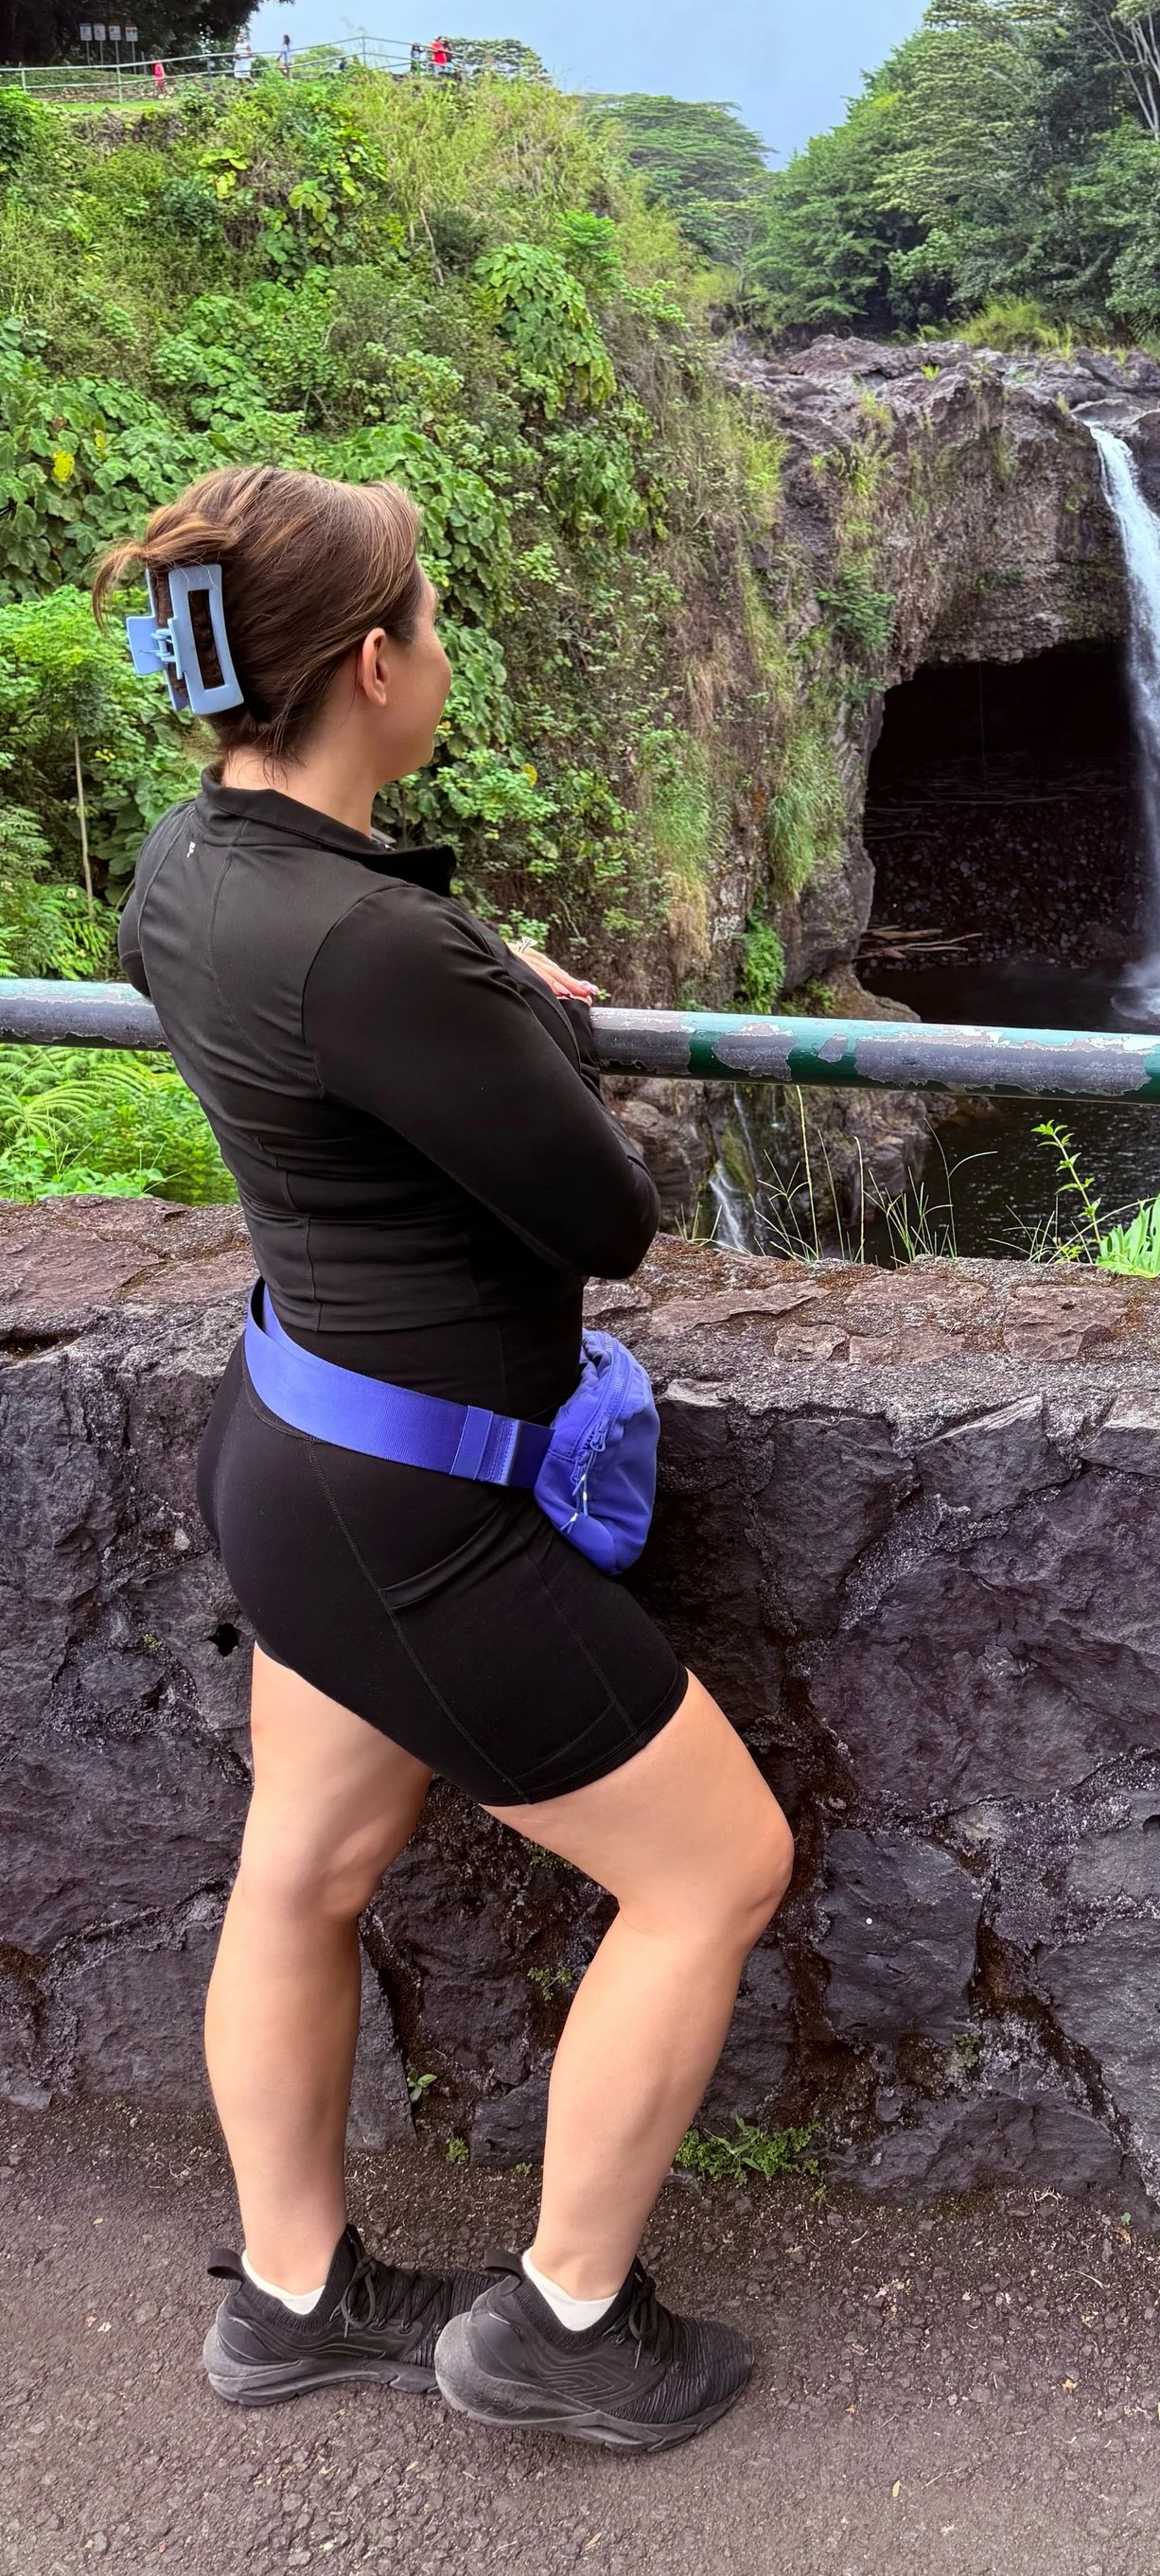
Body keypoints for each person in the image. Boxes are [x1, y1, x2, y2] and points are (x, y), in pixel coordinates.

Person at [100, 465, 792, 2453]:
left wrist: (481, 995)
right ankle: (566, 2320)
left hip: (304, 1436)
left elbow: (354, 1010)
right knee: (714, 1867)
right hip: (412, 1509)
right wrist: (520, 1024)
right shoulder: (384, 955)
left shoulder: (191, 866)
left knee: (302, 1868)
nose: (444, 642)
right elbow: (600, 1216)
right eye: (428, 612)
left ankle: (295, 2299)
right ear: (377, 661)